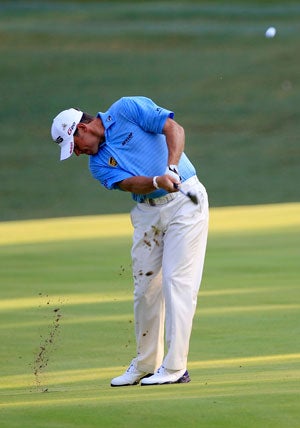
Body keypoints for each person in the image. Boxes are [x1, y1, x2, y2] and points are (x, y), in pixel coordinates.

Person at [51, 96, 209, 386]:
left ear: (83, 128)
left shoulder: (126, 109)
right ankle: (147, 364)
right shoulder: (97, 165)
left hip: (185, 200)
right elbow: (128, 184)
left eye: (75, 146)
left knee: (177, 283)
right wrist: (156, 182)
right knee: (145, 288)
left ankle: (175, 368)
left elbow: (174, 129)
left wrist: (171, 168)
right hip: (148, 212)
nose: (77, 154)